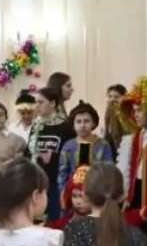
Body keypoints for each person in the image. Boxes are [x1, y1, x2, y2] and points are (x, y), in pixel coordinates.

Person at [116, 78, 147, 229]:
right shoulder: (134, 138)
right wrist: (127, 196)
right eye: (134, 111)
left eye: (140, 110)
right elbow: (128, 169)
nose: (136, 115)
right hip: (136, 191)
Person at [30, 86, 76, 221]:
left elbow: (71, 154)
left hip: (56, 182)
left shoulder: (66, 127)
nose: (36, 106)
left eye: (40, 102)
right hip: (37, 181)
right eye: (36, 102)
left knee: (55, 220)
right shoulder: (36, 125)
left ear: (52, 104)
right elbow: (30, 151)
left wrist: (54, 157)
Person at [57, 102, 114, 195]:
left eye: (86, 121)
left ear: (94, 123)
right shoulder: (68, 145)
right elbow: (62, 172)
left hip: (97, 192)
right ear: (73, 124)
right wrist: (63, 192)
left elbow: (109, 171)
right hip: (73, 193)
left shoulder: (103, 145)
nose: (82, 125)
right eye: (78, 121)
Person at [0, 103, 28, 172]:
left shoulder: (17, 141)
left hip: (8, 179)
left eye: (0, 115)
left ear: (6, 118)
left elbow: (21, 165)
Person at [49, 166, 91, 230]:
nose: (78, 201)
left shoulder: (103, 223)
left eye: (82, 196)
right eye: (74, 196)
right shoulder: (61, 224)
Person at [103, 84, 127, 155]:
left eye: (116, 97)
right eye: (110, 96)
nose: (112, 99)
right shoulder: (109, 109)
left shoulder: (126, 112)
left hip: (122, 147)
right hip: (110, 143)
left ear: (124, 97)